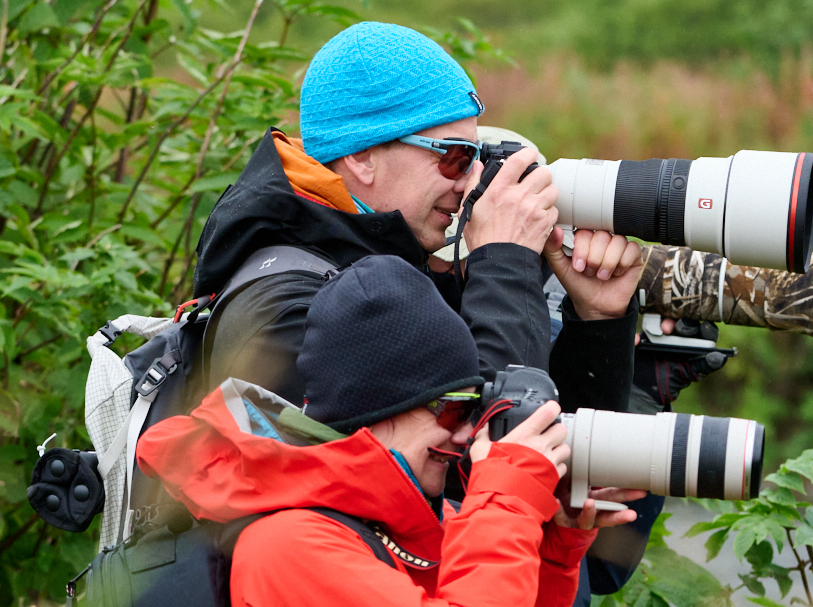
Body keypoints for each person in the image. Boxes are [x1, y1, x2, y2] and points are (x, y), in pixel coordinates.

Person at [137, 256, 645, 606]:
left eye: (475, 410)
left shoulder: (420, 521)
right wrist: (505, 504)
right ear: (377, 408)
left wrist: (551, 549)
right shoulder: (289, 545)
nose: (468, 435)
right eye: (453, 408)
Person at [192, 21, 641, 417]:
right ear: (362, 156)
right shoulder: (288, 313)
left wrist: (597, 320)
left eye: (478, 157)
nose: (470, 183)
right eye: (455, 157)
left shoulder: (391, 268)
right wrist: (505, 260)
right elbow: (483, 458)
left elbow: (551, 474)